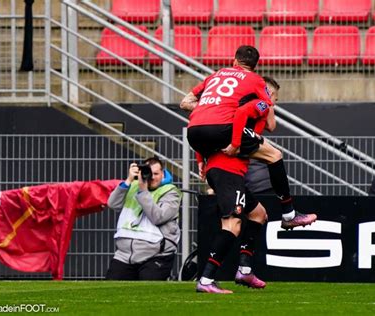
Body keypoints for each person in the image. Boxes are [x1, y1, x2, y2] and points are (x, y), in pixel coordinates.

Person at [180, 46, 316, 231]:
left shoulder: (215, 75)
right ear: (254, 66)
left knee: (248, 217)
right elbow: (270, 123)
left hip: (194, 132)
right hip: (225, 131)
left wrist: (212, 109)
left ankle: (240, 258)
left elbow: (184, 102)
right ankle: (289, 214)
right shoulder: (255, 80)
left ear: (234, 61)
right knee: (274, 155)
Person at [195, 77, 308, 293]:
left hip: (226, 172)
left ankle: (245, 270)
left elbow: (203, 133)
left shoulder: (225, 115)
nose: (273, 102)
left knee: (258, 214)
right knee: (232, 225)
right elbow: (272, 125)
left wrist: (200, 160)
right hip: (227, 172)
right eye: (273, 97)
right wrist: (267, 99)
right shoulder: (251, 108)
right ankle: (206, 279)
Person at [106, 157, 182, 280]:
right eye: (149, 173)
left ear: (163, 174)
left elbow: (158, 217)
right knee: (111, 290)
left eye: (156, 174)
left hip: (156, 255)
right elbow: (112, 204)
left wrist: (143, 192)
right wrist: (128, 181)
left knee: (148, 292)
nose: (152, 177)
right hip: (124, 255)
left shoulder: (171, 192)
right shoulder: (133, 186)